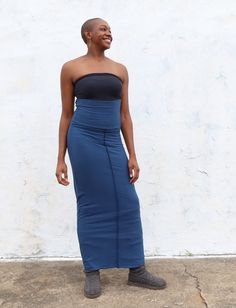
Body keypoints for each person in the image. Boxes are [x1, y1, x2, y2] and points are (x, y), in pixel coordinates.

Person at [55, 17, 167, 299]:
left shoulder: (120, 69)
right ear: (88, 34)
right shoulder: (71, 68)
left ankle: (136, 269)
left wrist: (132, 155)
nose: (109, 33)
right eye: (103, 29)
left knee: (128, 202)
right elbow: (67, 114)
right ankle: (92, 271)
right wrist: (60, 158)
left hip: (112, 141)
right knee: (90, 203)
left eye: (110, 30)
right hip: (83, 140)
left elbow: (124, 115)